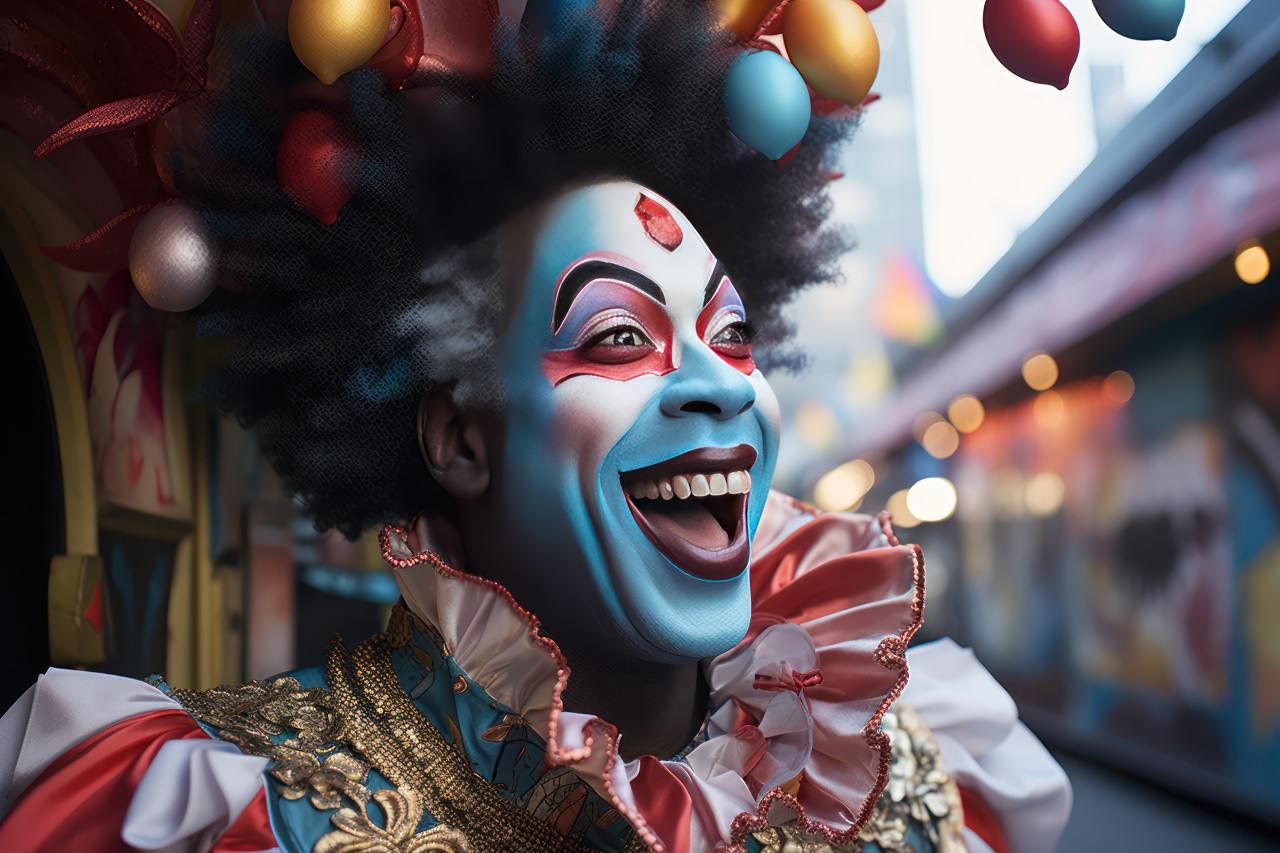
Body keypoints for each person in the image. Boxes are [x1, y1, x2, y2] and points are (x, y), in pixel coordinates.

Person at [0, 1, 1070, 851]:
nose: (718, 385)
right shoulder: (225, 807)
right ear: (460, 437)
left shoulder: (918, 777)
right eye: (615, 339)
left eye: (731, 334)